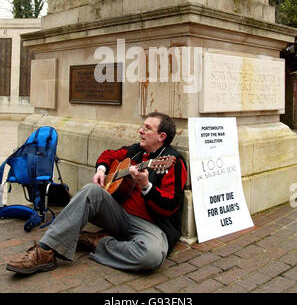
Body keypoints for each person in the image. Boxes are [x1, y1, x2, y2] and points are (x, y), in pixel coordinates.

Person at [6, 112, 187, 274]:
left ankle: (97, 242)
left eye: (147, 128)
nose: (140, 131)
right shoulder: (137, 150)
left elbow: (170, 206)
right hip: (118, 215)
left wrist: (146, 186)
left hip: (150, 225)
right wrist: (101, 169)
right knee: (91, 190)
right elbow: (108, 154)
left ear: (161, 136)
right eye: (142, 126)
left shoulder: (172, 162)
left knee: (151, 257)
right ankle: (45, 251)